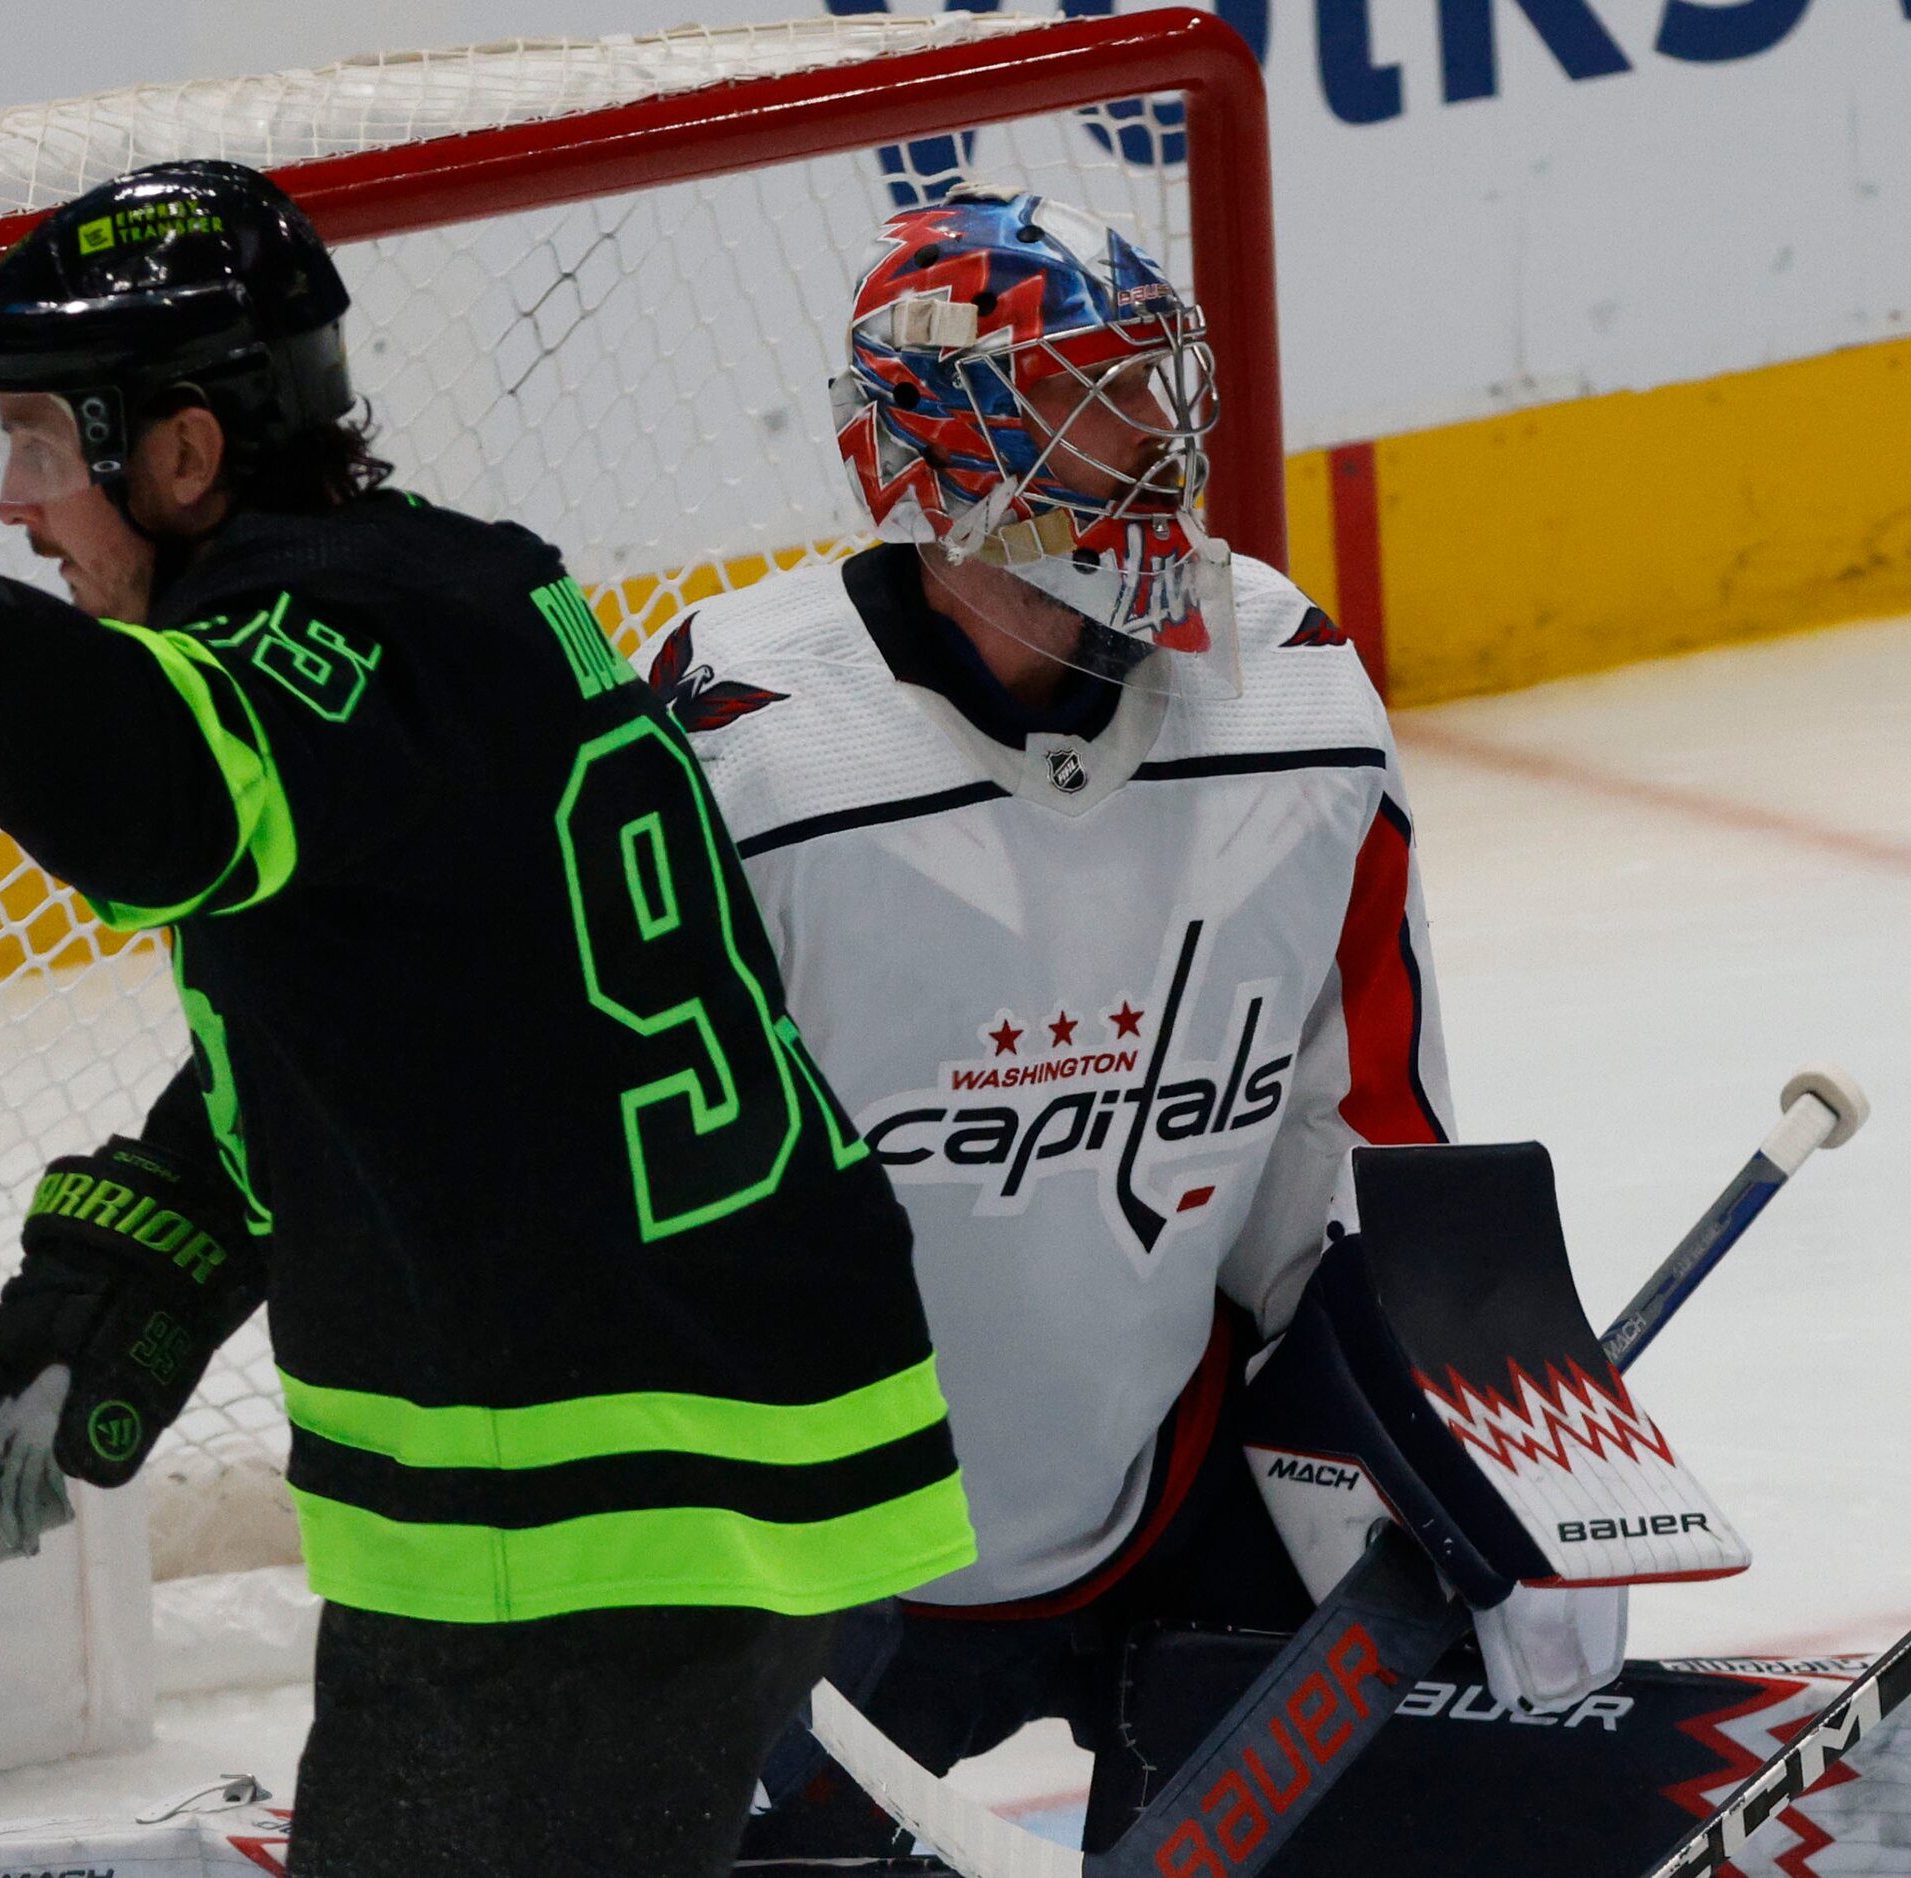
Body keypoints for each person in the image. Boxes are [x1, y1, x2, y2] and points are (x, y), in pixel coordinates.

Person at [0, 159, 977, 1878]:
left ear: (180, 454)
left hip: (596, 1507)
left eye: (40, 445)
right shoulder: (436, 591)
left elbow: (152, 782)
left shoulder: (327, 636)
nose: (21, 501)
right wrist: (157, 1245)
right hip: (674, 1448)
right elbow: (421, 1019)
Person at [620, 187, 1458, 1866]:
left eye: (1152, 387)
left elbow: (1358, 1130)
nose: (1151, 439)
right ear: (926, 455)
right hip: (826, 1553)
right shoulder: (744, 748)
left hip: (1181, 1479)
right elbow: (619, 1197)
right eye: (1087, 397)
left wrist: (1449, 1423)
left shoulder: (1287, 689)